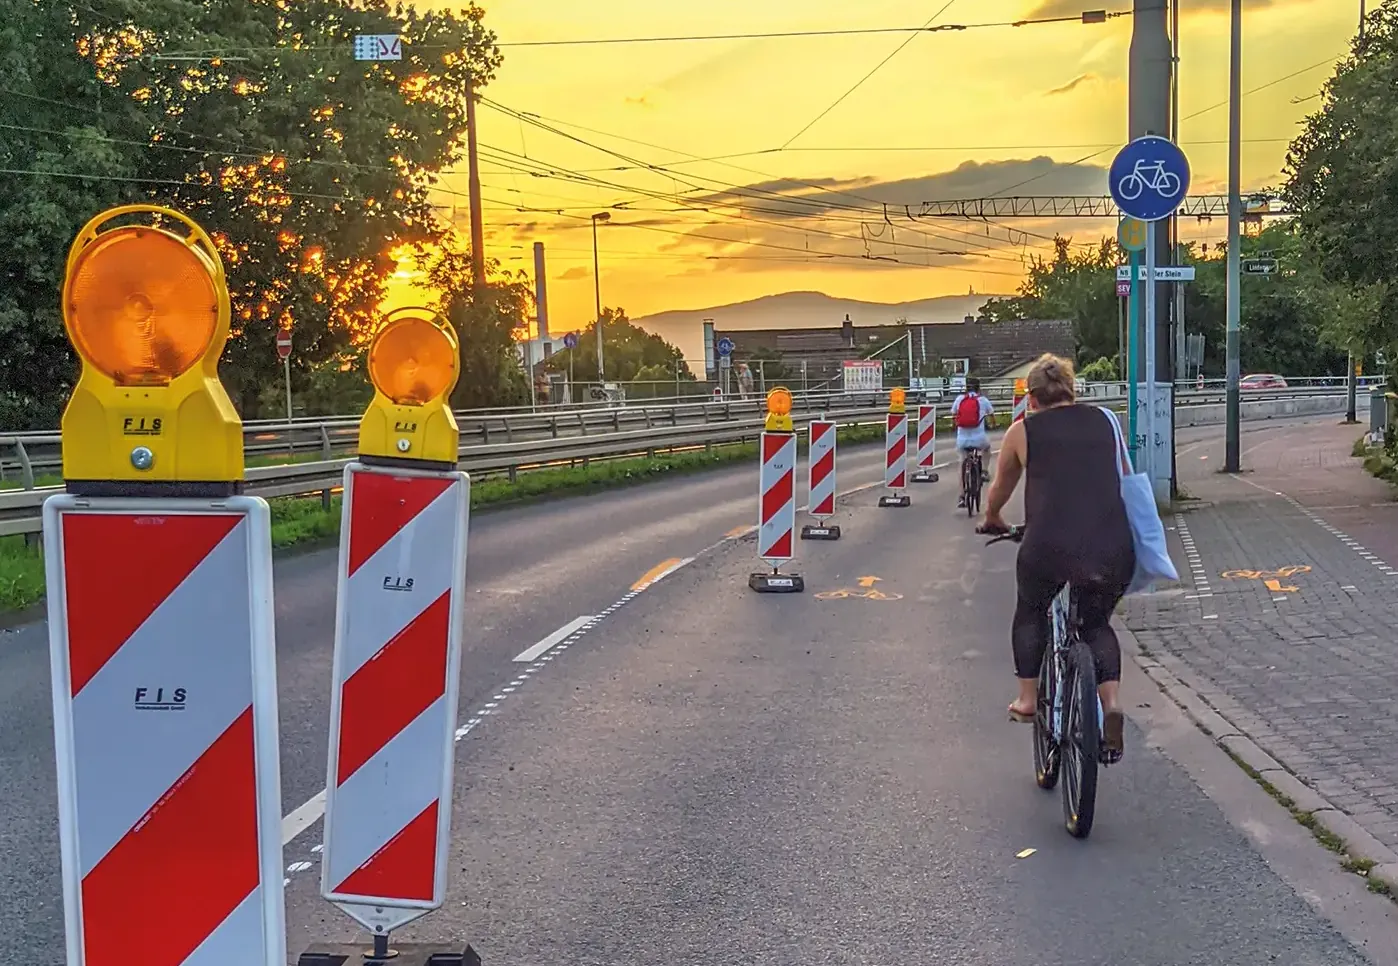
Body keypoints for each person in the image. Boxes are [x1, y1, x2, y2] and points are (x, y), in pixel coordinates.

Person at [980, 354, 1134, 763]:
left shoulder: (1022, 432)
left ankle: (1028, 699)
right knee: (1096, 622)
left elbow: (1001, 489)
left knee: (1031, 610)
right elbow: (1120, 475)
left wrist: (992, 518)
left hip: (1049, 545)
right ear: (1073, 391)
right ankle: (1111, 703)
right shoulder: (1105, 421)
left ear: (1030, 399)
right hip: (1112, 544)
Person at [950, 376, 994, 508]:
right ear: (979, 388)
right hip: (979, 439)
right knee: (987, 449)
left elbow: (954, 415)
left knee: (962, 463)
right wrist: (992, 424)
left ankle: (962, 496)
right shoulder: (983, 401)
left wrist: (954, 425)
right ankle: (985, 471)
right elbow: (991, 416)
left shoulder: (959, 400)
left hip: (962, 440)